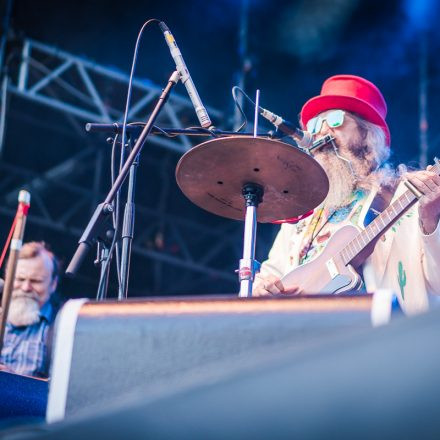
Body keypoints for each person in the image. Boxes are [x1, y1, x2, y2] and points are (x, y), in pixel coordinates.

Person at [253, 75, 440, 315]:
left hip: (379, 339)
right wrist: (263, 287)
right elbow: (274, 273)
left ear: (367, 135)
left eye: (335, 118)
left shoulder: (405, 195)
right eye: (316, 124)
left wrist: (429, 220)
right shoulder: (304, 212)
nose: (322, 131)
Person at [0, 241, 62, 378]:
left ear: (53, 284)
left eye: (36, 281)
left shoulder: (62, 328)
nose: (26, 287)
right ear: (7, 278)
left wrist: (13, 382)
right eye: (20, 279)